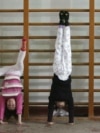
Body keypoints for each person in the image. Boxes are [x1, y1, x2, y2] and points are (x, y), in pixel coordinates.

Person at [47, 10, 74, 126]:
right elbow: (72, 108)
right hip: (67, 71)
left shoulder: (53, 97)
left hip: (58, 71)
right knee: (67, 47)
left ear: (56, 106)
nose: (61, 106)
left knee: (58, 46)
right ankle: (66, 24)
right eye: (62, 107)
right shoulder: (68, 98)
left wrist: (50, 120)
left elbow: (49, 107)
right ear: (65, 106)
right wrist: (71, 121)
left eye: (59, 107)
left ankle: (61, 24)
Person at [0, 38, 27, 124]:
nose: (10, 103)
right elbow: (20, 107)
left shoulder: (3, 97)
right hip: (17, 72)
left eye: (9, 105)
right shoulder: (18, 96)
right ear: (16, 103)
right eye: (13, 105)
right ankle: (23, 48)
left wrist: (1, 120)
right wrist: (19, 121)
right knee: (20, 62)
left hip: (6, 72)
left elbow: (1, 107)